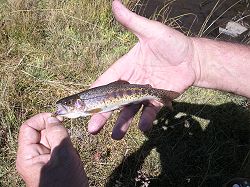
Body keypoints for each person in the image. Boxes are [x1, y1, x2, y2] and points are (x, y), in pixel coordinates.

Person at [16, 0, 250, 186]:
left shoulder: (88, 105)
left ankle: (162, 96)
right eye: (65, 105)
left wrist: (194, 59)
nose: (63, 109)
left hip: (134, 92)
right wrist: (196, 59)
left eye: (67, 105)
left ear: (78, 103)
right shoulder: (87, 104)